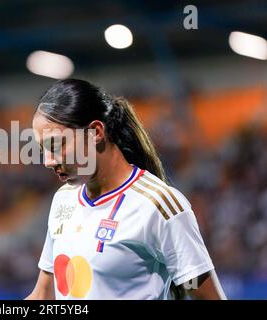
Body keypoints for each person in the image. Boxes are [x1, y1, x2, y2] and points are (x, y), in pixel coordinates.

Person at [26, 79, 226, 300]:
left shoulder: (158, 205)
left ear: (95, 132)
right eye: (42, 149)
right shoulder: (63, 200)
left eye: (55, 145)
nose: (47, 160)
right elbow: (44, 296)